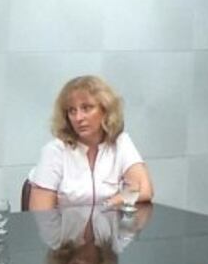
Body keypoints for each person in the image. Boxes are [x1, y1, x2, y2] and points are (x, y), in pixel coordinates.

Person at [28, 75, 153, 210]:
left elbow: (144, 189)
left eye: (86, 108)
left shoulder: (120, 143)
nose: (78, 118)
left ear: (105, 110)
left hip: (110, 230)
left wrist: (112, 202)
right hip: (64, 230)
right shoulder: (54, 151)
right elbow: (40, 216)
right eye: (72, 111)